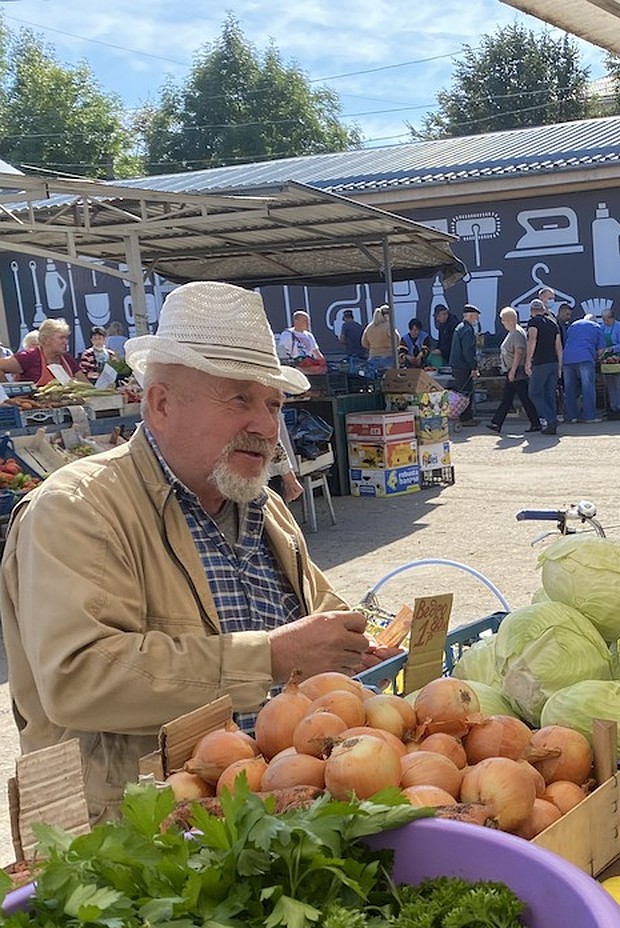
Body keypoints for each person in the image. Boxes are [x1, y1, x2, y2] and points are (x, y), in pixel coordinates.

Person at [0, 280, 397, 822]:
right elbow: (77, 677)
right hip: (134, 836)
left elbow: (317, 613)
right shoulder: (75, 509)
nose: (264, 425)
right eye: (239, 398)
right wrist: (272, 657)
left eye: (273, 403)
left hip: (272, 813)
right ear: (161, 403)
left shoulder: (264, 506)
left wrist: (354, 642)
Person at [489, 306, 538, 435]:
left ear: (509, 320)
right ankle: (497, 422)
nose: (502, 322)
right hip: (513, 370)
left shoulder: (516, 333)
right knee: (509, 398)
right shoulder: (514, 332)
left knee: (523, 398)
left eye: (503, 320)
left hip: (516, 371)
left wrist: (512, 370)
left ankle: (535, 422)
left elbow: (519, 351)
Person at [0, 318, 85, 384]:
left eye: (66, 338)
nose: (66, 342)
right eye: (61, 338)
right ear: (47, 340)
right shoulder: (29, 357)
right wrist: (8, 395)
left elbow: (86, 385)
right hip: (34, 405)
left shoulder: (67, 359)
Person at [524, 298, 562, 436]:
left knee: (534, 393)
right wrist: (559, 366)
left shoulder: (533, 322)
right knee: (549, 394)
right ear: (543, 309)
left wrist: (528, 361)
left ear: (532, 311)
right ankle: (552, 423)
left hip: (540, 362)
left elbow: (532, 340)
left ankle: (551, 420)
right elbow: (558, 346)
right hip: (553, 362)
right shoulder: (553, 324)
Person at [561, 312, 605, 423]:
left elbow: (567, 341)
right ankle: (589, 416)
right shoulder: (596, 327)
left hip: (567, 358)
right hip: (585, 358)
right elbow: (601, 350)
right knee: (587, 388)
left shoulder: (573, 325)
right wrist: (596, 358)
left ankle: (572, 416)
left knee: (569, 388)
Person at [448, 304, 480, 426]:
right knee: (466, 393)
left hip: (457, 365)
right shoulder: (468, 330)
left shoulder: (459, 327)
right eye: (476, 317)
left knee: (461, 392)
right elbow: (468, 350)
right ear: (471, 316)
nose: (476, 320)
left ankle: (462, 416)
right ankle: (466, 418)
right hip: (464, 366)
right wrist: (473, 366)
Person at [600, 308, 620, 419]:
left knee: (618, 384)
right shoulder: (602, 328)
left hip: (618, 358)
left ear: (612, 318)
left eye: (607, 319)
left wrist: (611, 349)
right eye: (603, 319)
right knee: (610, 384)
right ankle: (613, 407)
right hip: (606, 359)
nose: (605, 322)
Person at [361, 304, 400, 376]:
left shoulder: (369, 327)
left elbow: (364, 343)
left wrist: (373, 346)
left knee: (375, 381)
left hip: (373, 357)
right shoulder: (388, 326)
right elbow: (397, 340)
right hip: (388, 357)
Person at [433, 304, 458, 370]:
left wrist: (442, 351)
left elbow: (454, 343)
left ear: (445, 314)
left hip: (453, 358)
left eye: (439, 316)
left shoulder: (454, 324)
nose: (437, 319)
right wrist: (437, 349)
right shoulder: (441, 325)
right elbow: (440, 340)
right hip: (444, 356)